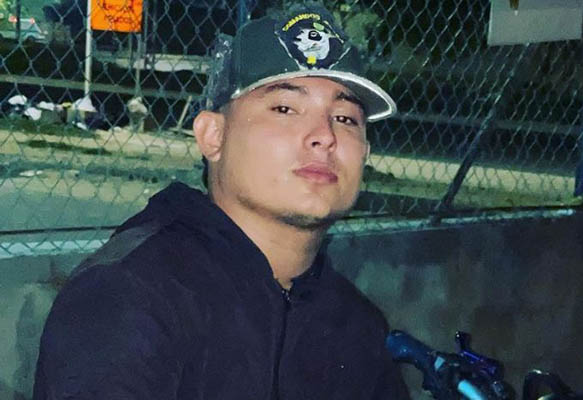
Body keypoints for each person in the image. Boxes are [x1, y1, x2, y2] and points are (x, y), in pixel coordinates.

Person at [33, 3, 406, 399]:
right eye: (285, 108)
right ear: (213, 136)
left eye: (345, 118)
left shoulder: (356, 325)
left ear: (365, 151)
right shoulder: (130, 296)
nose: (324, 136)